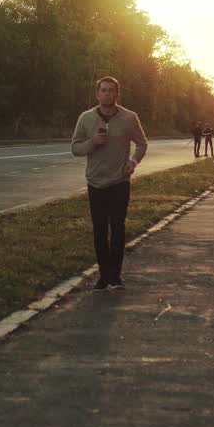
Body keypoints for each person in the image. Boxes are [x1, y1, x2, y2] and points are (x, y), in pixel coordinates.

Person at [71, 76, 148, 291]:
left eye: (111, 90)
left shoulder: (129, 118)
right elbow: (75, 148)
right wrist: (91, 143)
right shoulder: (86, 118)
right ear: (97, 94)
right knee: (99, 230)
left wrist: (133, 162)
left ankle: (115, 276)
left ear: (117, 94)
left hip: (119, 181)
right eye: (103, 90)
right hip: (95, 181)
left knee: (117, 227)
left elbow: (142, 144)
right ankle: (103, 275)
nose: (107, 94)